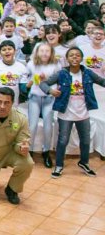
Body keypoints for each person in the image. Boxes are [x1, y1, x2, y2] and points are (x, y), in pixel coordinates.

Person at [41, 47, 105, 178]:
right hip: (66, 114)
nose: (74, 57)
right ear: (67, 59)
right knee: (62, 141)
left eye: (77, 55)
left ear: (81, 58)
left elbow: (102, 81)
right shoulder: (61, 73)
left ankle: (84, 163)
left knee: (86, 141)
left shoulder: (88, 73)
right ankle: (59, 166)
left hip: (83, 114)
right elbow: (43, 84)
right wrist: (50, 91)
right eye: (71, 55)